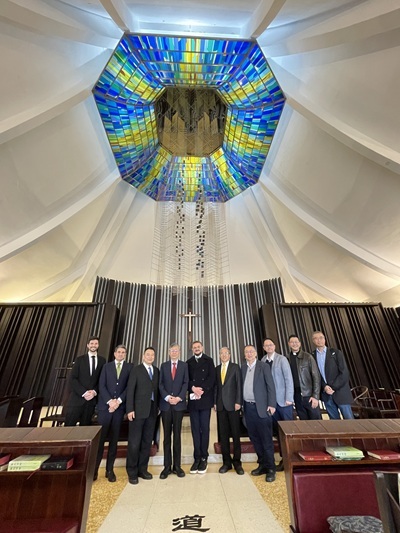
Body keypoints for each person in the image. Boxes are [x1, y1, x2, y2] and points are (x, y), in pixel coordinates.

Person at [93, 344, 133, 482]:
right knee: (100, 441)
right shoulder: (106, 367)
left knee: (114, 441)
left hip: (118, 410)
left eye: (123, 352)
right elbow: (101, 385)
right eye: (119, 352)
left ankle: (109, 470)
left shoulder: (129, 368)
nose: (121, 354)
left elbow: (129, 387)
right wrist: (110, 402)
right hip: (105, 408)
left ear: (125, 355)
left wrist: (118, 402)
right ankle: (94, 470)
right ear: (115, 354)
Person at [242, 344, 277, 483]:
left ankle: (271, 468)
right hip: (248, 408)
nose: (249, 354)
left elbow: (271, 386)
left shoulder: (263, 366)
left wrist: (271, 404)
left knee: (266, 440)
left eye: (251, 351)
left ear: (256, 353)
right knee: (255, 438)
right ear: (244, 355)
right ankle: (262, 465)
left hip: (262, 408)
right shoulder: (243, 367)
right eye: (246, 352)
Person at [126, 346, 159, 485]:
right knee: (134, 442)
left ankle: (142, 469)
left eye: (152, 355)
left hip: (152, 412)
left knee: (147, 442)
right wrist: (130, 409)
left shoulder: (156, 371)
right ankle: (132, 471)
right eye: (148, 354)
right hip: (137, 412)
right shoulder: (136, 370)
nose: (150, 357)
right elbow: (130, 390)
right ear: (143, 356)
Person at [261, 338, 294, 471]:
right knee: (278, 432)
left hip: (284, 402)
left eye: (271, 344)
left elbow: (288, 379)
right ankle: (283, 458)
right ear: (264, 348)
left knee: (288, 431)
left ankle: (291, 458)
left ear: (274, 346)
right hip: (271, 403)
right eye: (266, 345)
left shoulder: (282, 359)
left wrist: (289, 398)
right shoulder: (263, 360)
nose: (269, 347)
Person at [159, 343, 188, 479]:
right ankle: (166, 467)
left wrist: (179, 398)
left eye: (176, 350)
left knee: (177, 436)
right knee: (166, 437)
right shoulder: (164, 366)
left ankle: (177, 466)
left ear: (179, 352)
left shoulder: (184, 366)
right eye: (172, 350)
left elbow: (186, 383)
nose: (174, 352)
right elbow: (160, 384)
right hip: (166, 405)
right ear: (169, 352)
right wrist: (167, 397)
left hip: (178, 405)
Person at [187, 340, 216, 474]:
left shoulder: (209, 360)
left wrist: (201, 390)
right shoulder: (188, 362)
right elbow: (186, 379)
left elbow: (212, 378)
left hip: (205, 399)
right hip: (193, 401)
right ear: (192, 349)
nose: (197, 349)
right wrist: (193, 388)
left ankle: (204, 457)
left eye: (198, 346)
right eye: (194, 347)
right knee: (195, 429)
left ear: (202, 348)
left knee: (204, 429)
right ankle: (196, 458)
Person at [311, 330, 354, 419]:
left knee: (349, 420)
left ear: (325, 339)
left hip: (340, 392)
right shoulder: (312, 356)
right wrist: (324, 387)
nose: (319, 340)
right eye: (316, 338)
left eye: (321, 338)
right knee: (334, 422)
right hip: (326, 394)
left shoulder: (336, 352)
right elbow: (315, 375)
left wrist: (333, 387)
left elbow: (344, 373)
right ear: (313, 341)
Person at [214, 346, 244, 475]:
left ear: (230, 355)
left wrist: (238, 402)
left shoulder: (235, 367)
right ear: (219, 355)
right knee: (223, 435)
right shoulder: (217, 369)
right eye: (221, 353)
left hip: (233, 405)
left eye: (226, 353)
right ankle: (226, 462)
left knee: (236, 434)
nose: (224, 355)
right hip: (221, 406)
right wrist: (215, 402)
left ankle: (237, 462)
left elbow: (239, 385)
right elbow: (216, 387)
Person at [65, 336, 106, 427]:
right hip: (77, 400)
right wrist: (84, 393)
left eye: (96, 343)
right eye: (91, 343)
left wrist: (94, 392)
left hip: (91, 401)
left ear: (98, 345)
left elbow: (102, 380)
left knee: (85, 429)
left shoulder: (102, 361)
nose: (93, 345)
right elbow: (73, 378)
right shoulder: (79, 359)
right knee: (68, 427)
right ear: (88, 345)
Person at [287, 335, 321, 420]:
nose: (294, 344)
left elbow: (316, 377)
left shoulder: (308, 357)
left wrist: (315, 396)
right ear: (289, 344)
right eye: (292, 342)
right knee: (303, 421)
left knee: (316, 421)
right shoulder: (287, 358)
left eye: (296, 342)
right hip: (296, 395)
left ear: (300, 343)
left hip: (309, 395)